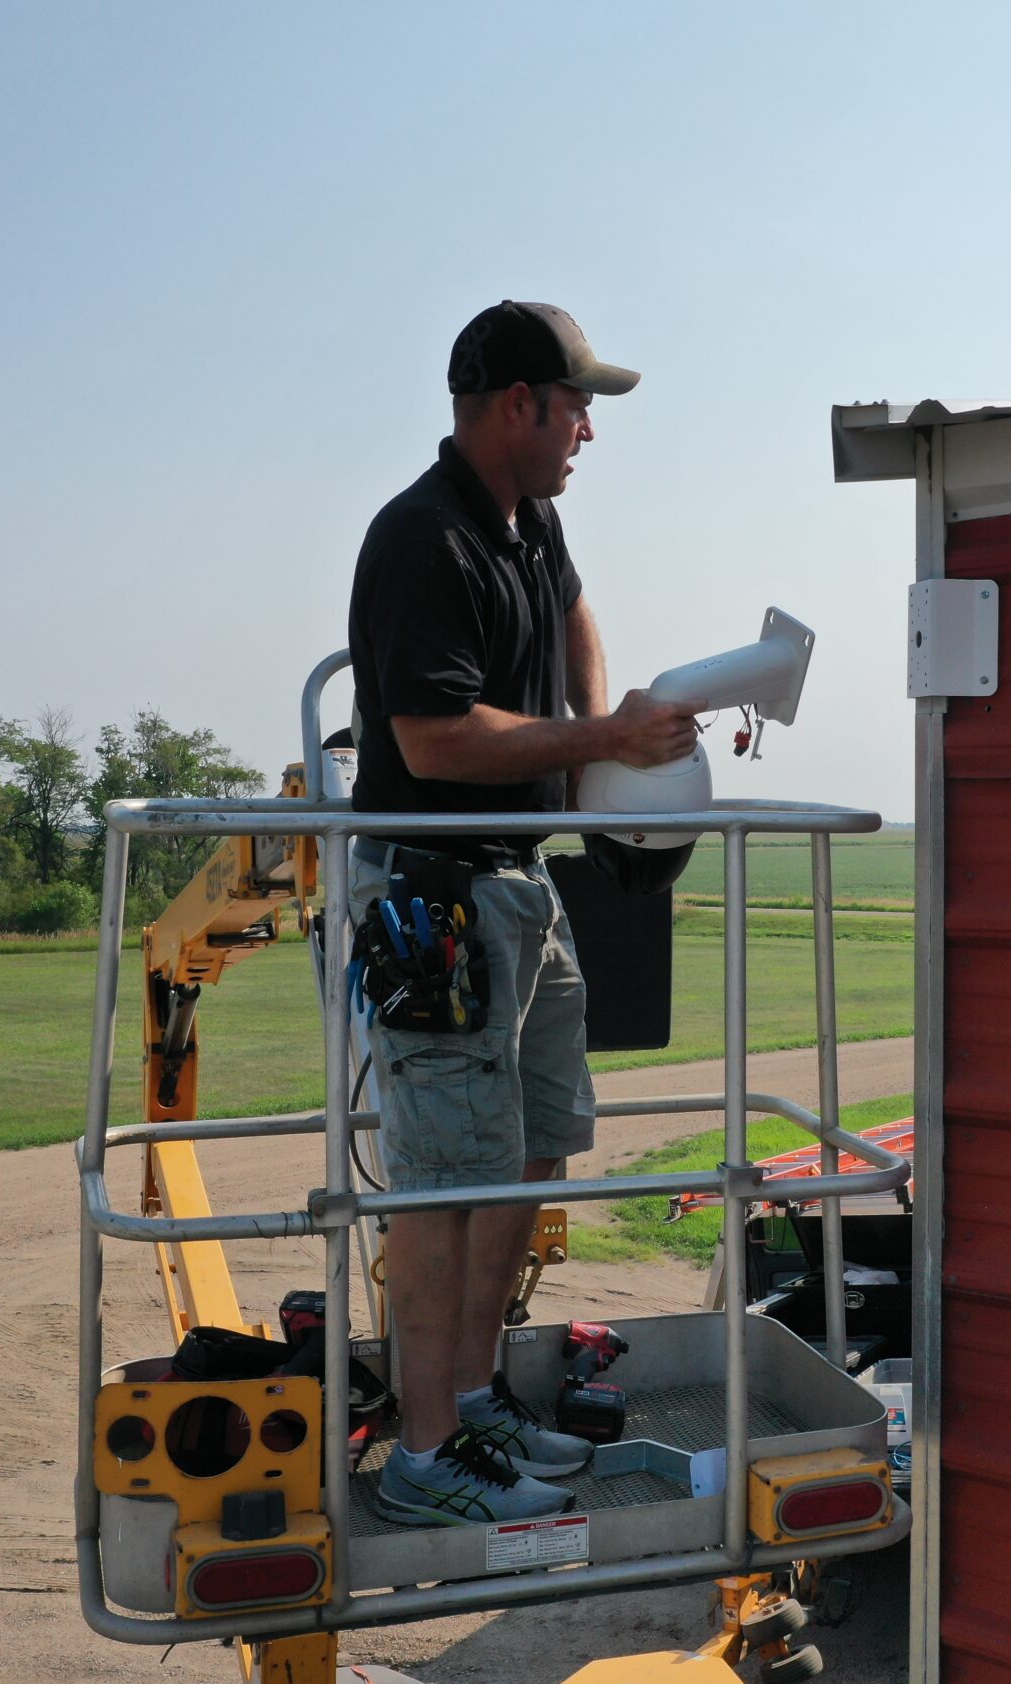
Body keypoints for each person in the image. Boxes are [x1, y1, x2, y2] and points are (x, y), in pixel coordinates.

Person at [347, 301, 703, 1527]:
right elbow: (433, 740)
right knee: (443, 1182)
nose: (587, 433)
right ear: (518, 407)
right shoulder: (422, 538)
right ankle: (424, 1455)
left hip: (515, 876)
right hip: (431, 895)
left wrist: (596, 749)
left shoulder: (527, 521)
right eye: (577, 409)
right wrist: (602, 739)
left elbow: (571, 612)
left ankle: (473, 1396)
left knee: (536, 1140)